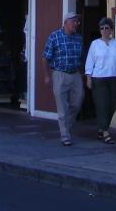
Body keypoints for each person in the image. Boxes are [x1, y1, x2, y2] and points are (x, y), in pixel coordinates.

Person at [85, 17, 116, 144]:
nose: (104, 30)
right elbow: (90, 62)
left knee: (115, 101)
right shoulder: (95, 44)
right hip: (99, 78)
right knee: (102, 104)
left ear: (111, 29)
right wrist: (88, 78)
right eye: (102, 28)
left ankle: (102, 126)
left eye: (107, 28)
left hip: (114, 77)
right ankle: (105, 132)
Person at [43, 11, 83, 146]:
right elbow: (46, 57)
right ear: (66, 22)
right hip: (59, 73)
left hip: (75, 73)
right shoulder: (54, 37)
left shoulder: (78, 38)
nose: (76, 24)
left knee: (77, 102)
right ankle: (65, 135)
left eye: (77, 21)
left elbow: (80, 57)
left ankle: (67, 127)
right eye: (74, 21)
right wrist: (47, 75)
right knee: (62, 107)